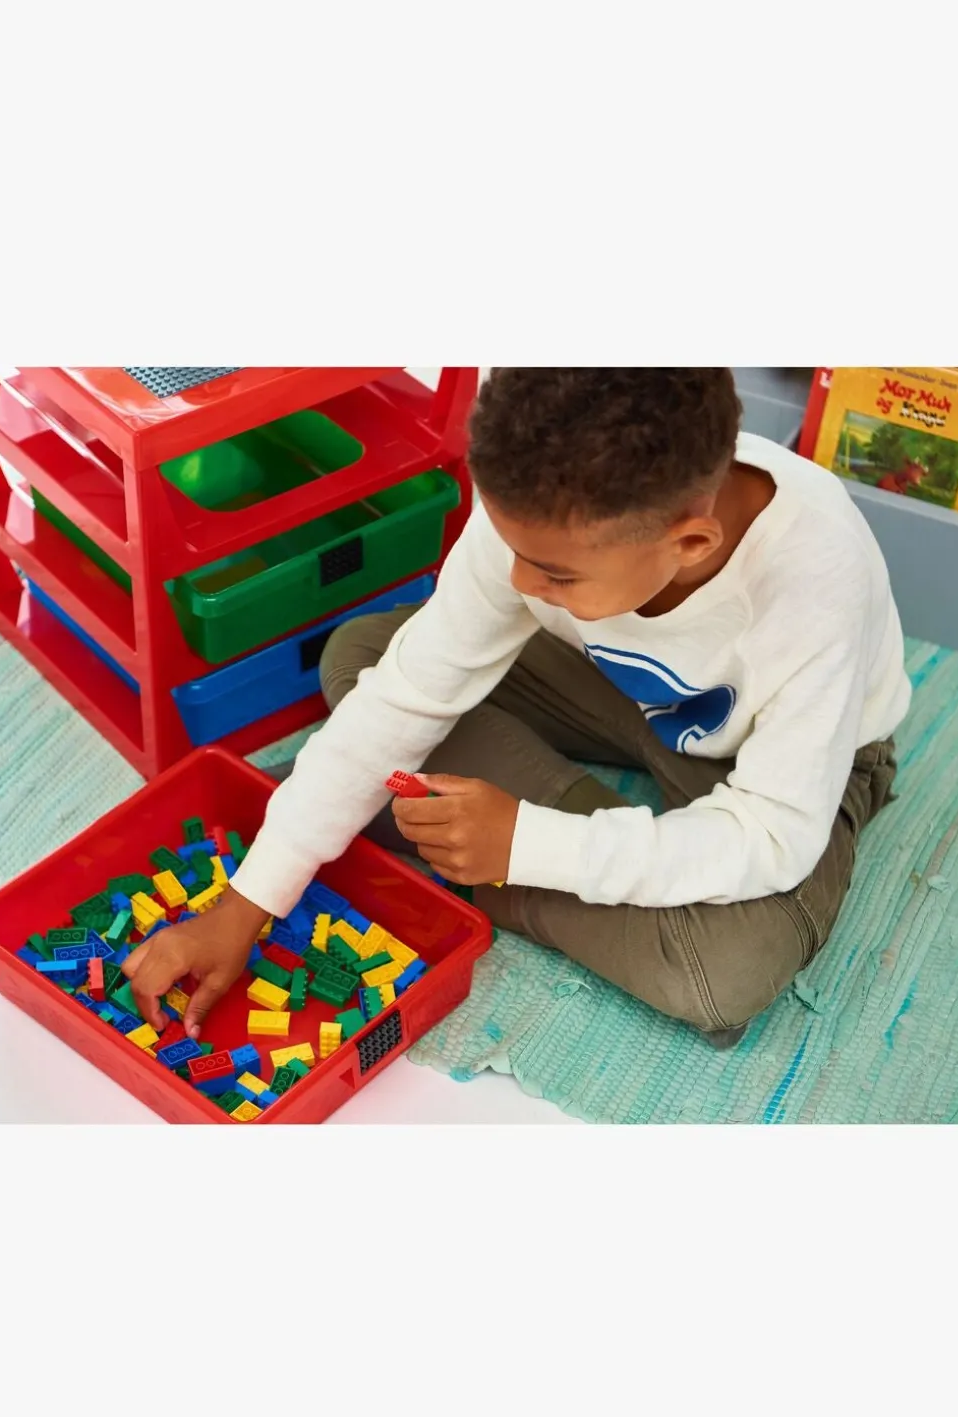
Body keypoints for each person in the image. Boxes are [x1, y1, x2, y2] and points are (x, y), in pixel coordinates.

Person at [123, 369, 909, 1048]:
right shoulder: (548, 496)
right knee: (361, 656)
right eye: (512, 549)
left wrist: (528, 843)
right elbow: (410, 687)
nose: (521, 583)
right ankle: (491, 838)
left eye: (555, 574)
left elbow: (773, 835)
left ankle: (474, 845)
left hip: (771, 758)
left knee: (722, 973)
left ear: (692, 545)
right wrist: (248, 901)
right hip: (607, 680)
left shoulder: (814, 581)